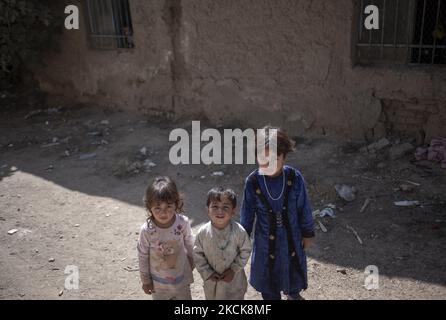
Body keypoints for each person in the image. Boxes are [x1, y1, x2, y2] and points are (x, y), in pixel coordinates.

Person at [240, 126, 315, 300]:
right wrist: (241, 240)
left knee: (292, 270)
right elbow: (247, 214)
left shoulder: (294, 178)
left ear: (284, 156)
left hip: (291, 239)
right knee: (268, 279)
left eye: (274, 158)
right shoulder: (253, 182)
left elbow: (304, 208)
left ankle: (292, 293)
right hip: (264, 242)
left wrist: (307, 233)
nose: (267, 164)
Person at [137, 176, 194, 300]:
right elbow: (143, 256)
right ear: (149, 207)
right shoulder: (147, 230)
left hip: (181, 278)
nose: (163, 213)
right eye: (157, 208)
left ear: (176, 203)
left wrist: (192, 262)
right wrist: (145, 280)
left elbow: (190, 243)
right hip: (158, 284)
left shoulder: (182, 223)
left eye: (168, 206)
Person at [194, 187, 252, 300]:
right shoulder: (203, 233)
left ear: (233, 211)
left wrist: (234, 269)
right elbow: (197, 255)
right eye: (215, 206)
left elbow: (246, 250)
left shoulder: (239, 231)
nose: (220, 211)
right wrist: (208, 272)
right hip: (212, 283)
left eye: (225, 207)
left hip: (234, 282)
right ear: (208, 209)